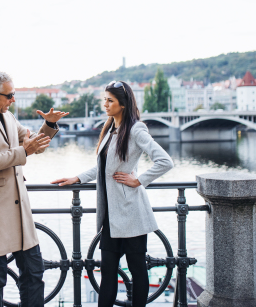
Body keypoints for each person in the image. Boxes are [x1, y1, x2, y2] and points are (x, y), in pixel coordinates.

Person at [51, 80, 173, 307]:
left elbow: (165, 161)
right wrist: (77, 178)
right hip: (110, 216)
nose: (105, 104)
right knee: (107, 272)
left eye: (110, 100)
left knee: (138, 271)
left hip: (131, 213)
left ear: (123, 104)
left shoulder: (136, 129)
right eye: (104, 100)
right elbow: (103, 169)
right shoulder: (110, 128)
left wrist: (138, 180)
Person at [0, 71, 69, 307]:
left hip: (20, 212)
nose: (13, 99)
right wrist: (23, 152)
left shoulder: (8, 116)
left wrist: (48, 125)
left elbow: (34, 145)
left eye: (14, 94)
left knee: (34, 273)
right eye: (9, 95)